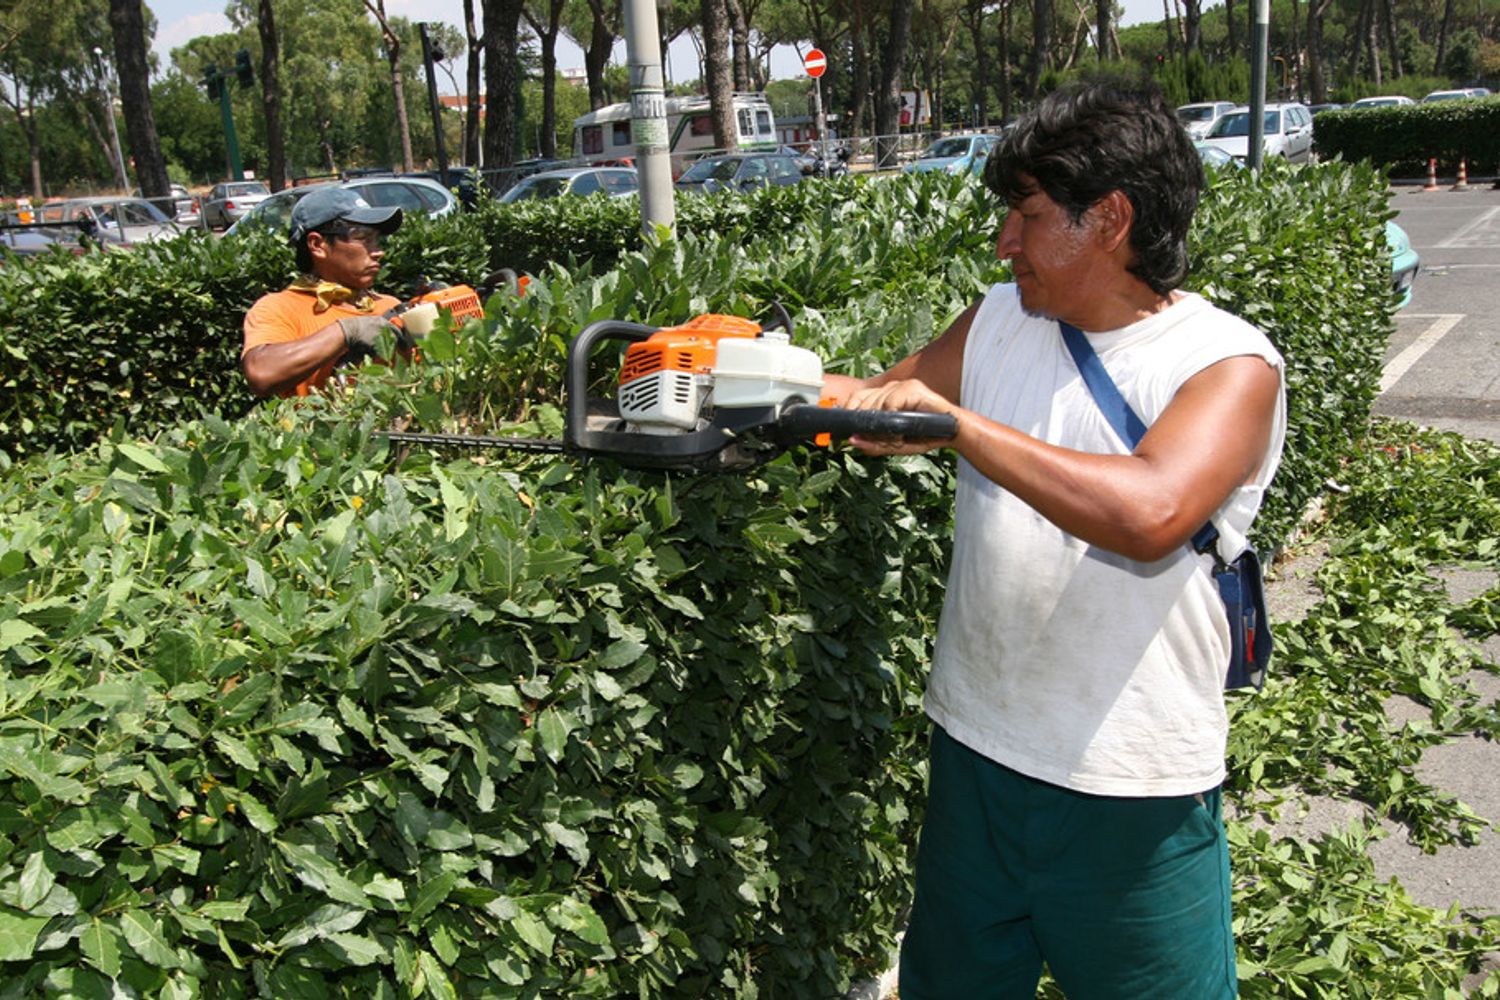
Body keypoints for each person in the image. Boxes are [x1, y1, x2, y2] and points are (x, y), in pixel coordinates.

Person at [827, 78, 1286, 998]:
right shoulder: (1000, 321)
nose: (1005, 243)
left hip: (1129, 793)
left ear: (1109, 217)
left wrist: (957, 425)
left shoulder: (1226, 365)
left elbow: (1151, 513)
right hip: (977, 759)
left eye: (1027, 215)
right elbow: (877, 404)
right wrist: (728, 374)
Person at [241, 187, 407, 398]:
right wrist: (346, 332)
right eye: (363, 237)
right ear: (317, 244)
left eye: (377, 239)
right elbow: (261, 373)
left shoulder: (388, 305)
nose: (378, 251)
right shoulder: (279, 308)